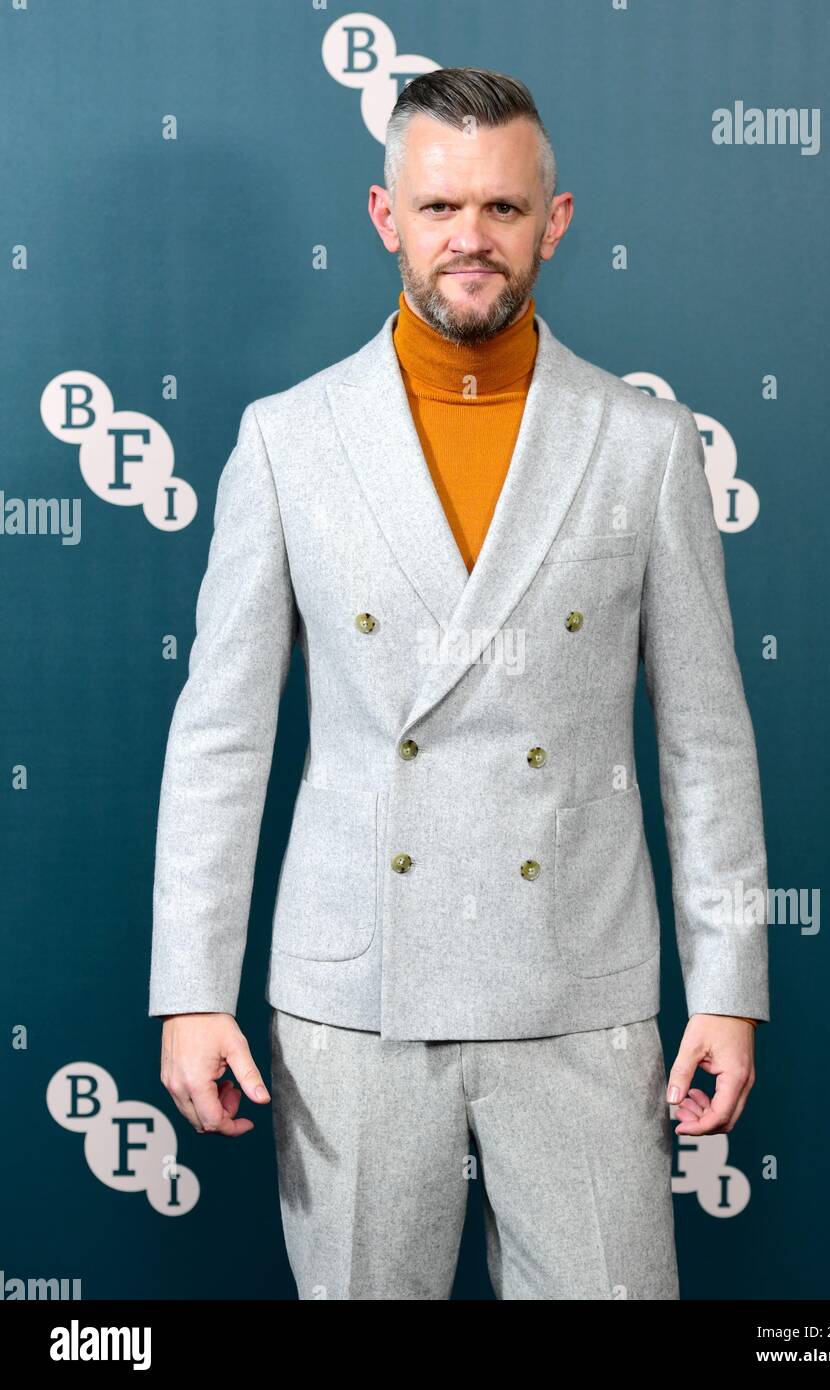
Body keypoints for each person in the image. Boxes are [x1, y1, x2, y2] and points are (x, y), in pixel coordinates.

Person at [150, 66, 769, 1300]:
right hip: (353, 999)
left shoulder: (644, 443)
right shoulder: (288, 438)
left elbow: (706, 740)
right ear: (386, 218)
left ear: (556, 219)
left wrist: (730, 987)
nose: (468, 240)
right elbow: (221, 736)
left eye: (499, 207)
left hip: (581, 995)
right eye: (438, 209)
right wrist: (189, 989)